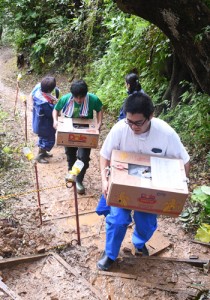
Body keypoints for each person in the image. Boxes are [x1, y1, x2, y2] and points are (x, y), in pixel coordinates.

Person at [97, 92, 190, 271]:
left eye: (138, 122)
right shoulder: (120, 129)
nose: (133, 127)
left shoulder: (166, 133)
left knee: (146, 222)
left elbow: (184, 161)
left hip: (152, 189)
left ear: (150, 116)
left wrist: (178, 189)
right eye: (129, 121)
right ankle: (109, 254)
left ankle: (139, 243)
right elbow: (104, 155)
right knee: (117, 220)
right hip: (123, 185)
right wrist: (104, 180)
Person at [53, 79, 103, 195]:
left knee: (83, 157)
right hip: (69, 132)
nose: (79, 100)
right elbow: (56, 109)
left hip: (85, 133)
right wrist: (55, 121)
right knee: (70, 155)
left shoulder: (93, 99)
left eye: (82, 97)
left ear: (86, 94)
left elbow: (99, 110)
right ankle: (71, 174)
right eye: (77, 97)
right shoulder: (66, 99)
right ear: (72, 95)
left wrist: (99, 123)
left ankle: (79, 180)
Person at [31, 76, 59, 164]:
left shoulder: (38, 93)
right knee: (48, 140)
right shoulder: (43, 102)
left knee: (43, 138)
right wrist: (55, 107)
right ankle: (40, 156)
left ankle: (43, 152)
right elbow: (50, 113)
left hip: (40, 123)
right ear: (50, 89)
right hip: (45, 125)